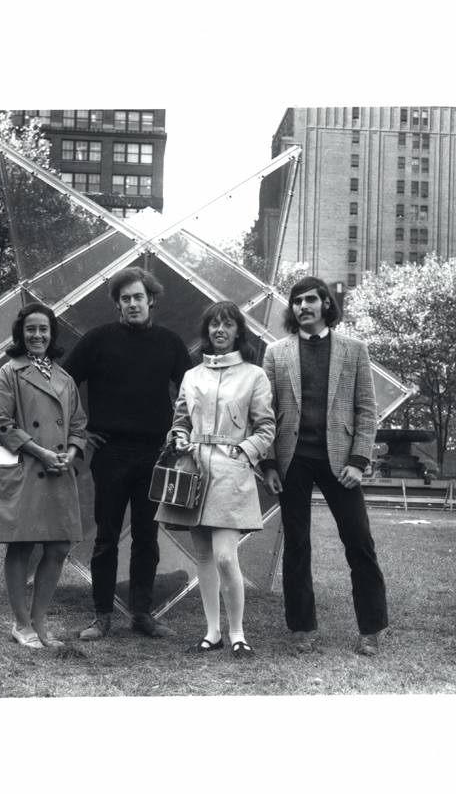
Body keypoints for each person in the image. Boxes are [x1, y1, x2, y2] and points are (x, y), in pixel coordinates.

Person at [261, 276, 388, 656]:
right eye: (297, 301)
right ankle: (301, 627)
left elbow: (367, 410)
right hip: (292, 462)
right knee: (297, 546)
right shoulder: (276, 352)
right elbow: (264, 414)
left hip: (340, 464)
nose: (303, 307)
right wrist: (268, 464)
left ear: (326, 306)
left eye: (311, 300)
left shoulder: (354, 350)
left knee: (359, 543)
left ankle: (371, 629)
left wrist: (358, 460)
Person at [63, 266, 193, 640]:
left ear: (150, 299)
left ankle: (141, 614)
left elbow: (192, 395)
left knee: (147, 538)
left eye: (138, 297)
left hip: (155, 453)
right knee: (105, 538)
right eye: (125, 299)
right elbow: (64, 385)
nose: (132, 304)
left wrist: (178, 434)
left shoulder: (170, 343)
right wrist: (82, 431)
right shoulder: (98, 340)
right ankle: (102, 616)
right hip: (111, 454)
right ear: (117, 304)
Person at [156, 301, 276, 660]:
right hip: (193, 471)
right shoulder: (192, 376)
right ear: (206, 331)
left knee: (226, 556)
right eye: (213, 325)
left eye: (227, 324)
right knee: (204, 556)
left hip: (230, 472)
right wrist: (178, 437)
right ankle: (213, 633)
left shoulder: (255, 375)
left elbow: (267, 427)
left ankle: (238, 633)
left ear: (239, 330)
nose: (219, 330)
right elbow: (180, 420)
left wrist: (245, 452)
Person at [0, 303, 88, 649]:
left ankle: (39, 623)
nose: (37, 335)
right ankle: (21, 624)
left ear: (52, 335)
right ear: (21, 335)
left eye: (44, 329)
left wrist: (68, 454)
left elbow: (79, 425)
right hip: (26, 469)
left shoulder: (64, 378)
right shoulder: (10, 372)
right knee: (21, 544)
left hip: (58, 472)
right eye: (31, 329)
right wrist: (40, 452)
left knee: (59, 546)